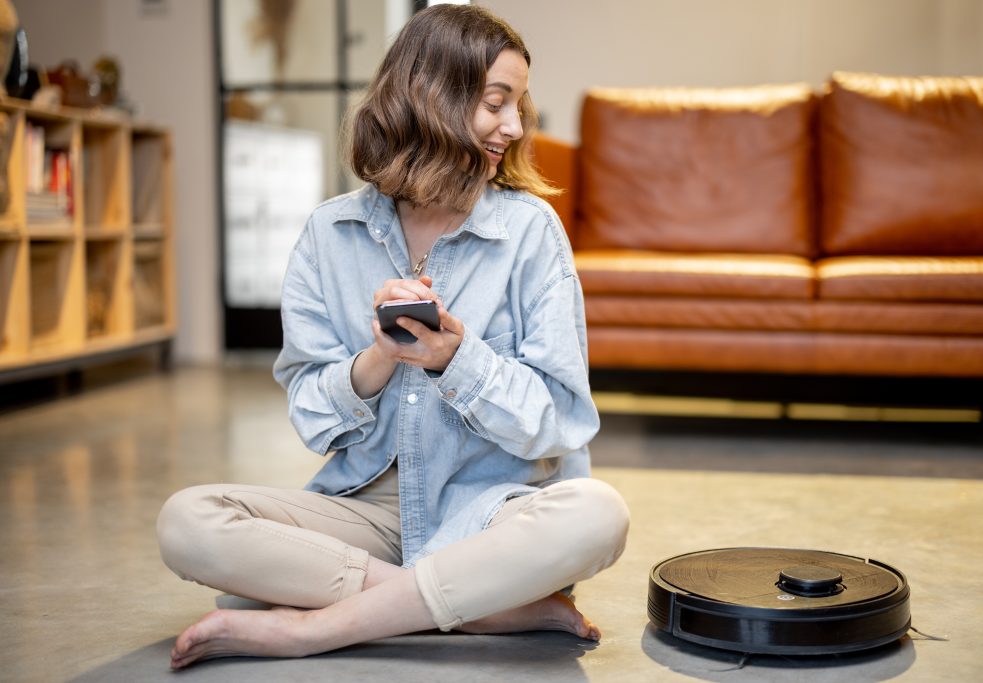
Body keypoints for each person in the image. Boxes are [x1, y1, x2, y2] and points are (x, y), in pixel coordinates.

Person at [156, 4, 629, 670]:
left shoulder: (532, 232)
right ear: (432, 96)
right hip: (369, 512)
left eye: (519, 104)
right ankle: (480, 611)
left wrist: (455, 359)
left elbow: (559, 423)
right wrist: (378, 359)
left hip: (495, 509)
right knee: (188, 521)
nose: (516, 127)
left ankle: (311, 628)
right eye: (497, 103)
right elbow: (314, 417)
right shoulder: (329, 234)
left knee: (597, 512)